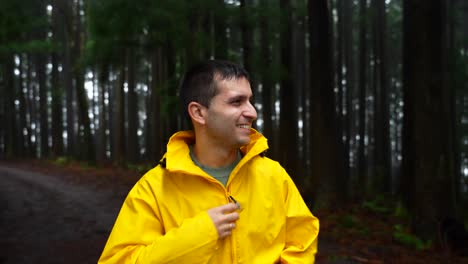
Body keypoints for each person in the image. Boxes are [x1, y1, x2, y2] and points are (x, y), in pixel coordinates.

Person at [98, 60, 319, 263]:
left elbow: (302, 243)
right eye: (236, 102)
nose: (252, 112)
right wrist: (199, 235)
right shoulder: (154, 188)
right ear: (199, 113)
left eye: (250, 100)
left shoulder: (273, 176)